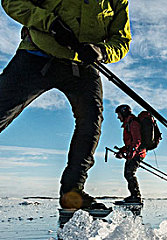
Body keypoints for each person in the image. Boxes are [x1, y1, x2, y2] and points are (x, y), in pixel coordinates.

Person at [0, 0, 132, 210]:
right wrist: (50, 24)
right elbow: (12, 1)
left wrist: (101, 51)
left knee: (90, 123)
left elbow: (121, 41)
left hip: (83, 66)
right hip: (37, 54)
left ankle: (72, 192)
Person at [115, 104, 146, 203]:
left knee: (129, 173)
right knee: (128, 173)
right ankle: (134, 196)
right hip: (135, 153)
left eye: (119, 114)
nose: (118, 117)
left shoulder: (133, 123)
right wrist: (122, 151)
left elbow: (137, 140)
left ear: (124, 113)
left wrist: (131, 153)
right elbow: (130, 143)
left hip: (137, 154)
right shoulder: (128, 123)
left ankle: (136, 196)